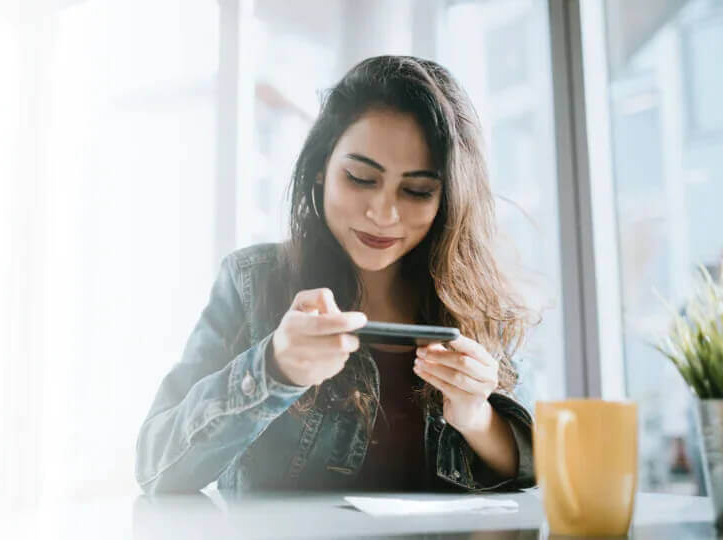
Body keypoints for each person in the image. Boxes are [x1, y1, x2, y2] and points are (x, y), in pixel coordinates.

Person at [136, 56, 537, 494]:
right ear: (322, 168)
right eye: (361, 178)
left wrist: (476, 415)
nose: (383, 214)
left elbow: (533, 468)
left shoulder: (474, 300)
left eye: (418, 190)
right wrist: (274, 368)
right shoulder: (252, 281)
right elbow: (157, 468)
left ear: (449, 199)